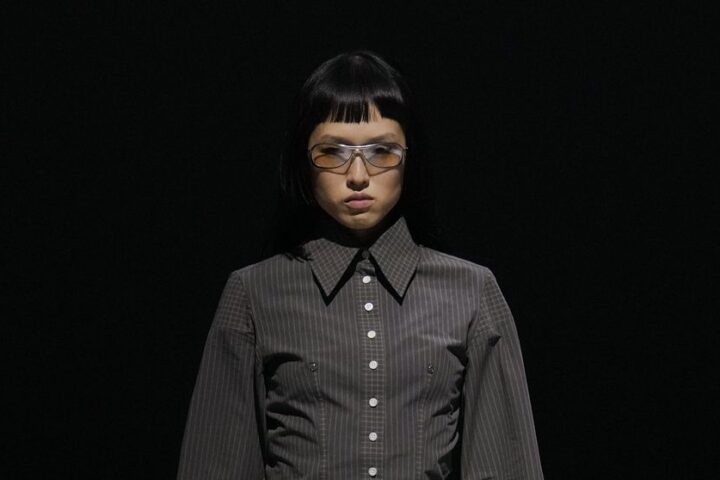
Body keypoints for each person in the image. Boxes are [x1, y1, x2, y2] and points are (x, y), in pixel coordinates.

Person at [177, 50, 544, 479]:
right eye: (332, 151)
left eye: (382, 151)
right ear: (303, 159)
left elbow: (506, 467)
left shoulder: (470, 291)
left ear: (409, 157)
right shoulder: (255, 294)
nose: (357, 175)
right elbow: (215, 466)